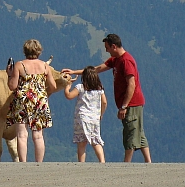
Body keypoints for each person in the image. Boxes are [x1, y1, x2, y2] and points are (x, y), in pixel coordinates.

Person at [62, 33, 151, 163]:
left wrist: (124, 106)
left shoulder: (126, 61)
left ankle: (126, 163)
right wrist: (74, 72)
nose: (106, 51)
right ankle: (149, 162)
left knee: (130, 132)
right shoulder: (115, 60)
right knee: (139, 132)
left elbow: (132, 84)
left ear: (114, 46)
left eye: (107, 48)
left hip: (132, 103)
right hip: (132, 103)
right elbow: (96, 69)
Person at [5, 39, 57, 162]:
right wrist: (43, 94)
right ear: (39, 51)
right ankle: (39, 164)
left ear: (25, 51)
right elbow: (53, 86)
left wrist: (9, 74)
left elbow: (12, 86)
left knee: (22, 135)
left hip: (22, 101)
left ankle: (23, 163)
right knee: (38, 135)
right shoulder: (45, 66)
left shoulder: (19, 65)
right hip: (39, 101)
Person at [64, 66, 107, 163]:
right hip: (95, 118)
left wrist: (67, 87)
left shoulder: (80, 87)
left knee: (81, 141)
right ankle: (102, 161)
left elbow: (69, 96)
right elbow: (104, 102)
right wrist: (101, 114)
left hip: (82, 118)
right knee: (96, 140)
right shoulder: (99, 90)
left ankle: (81, 163)